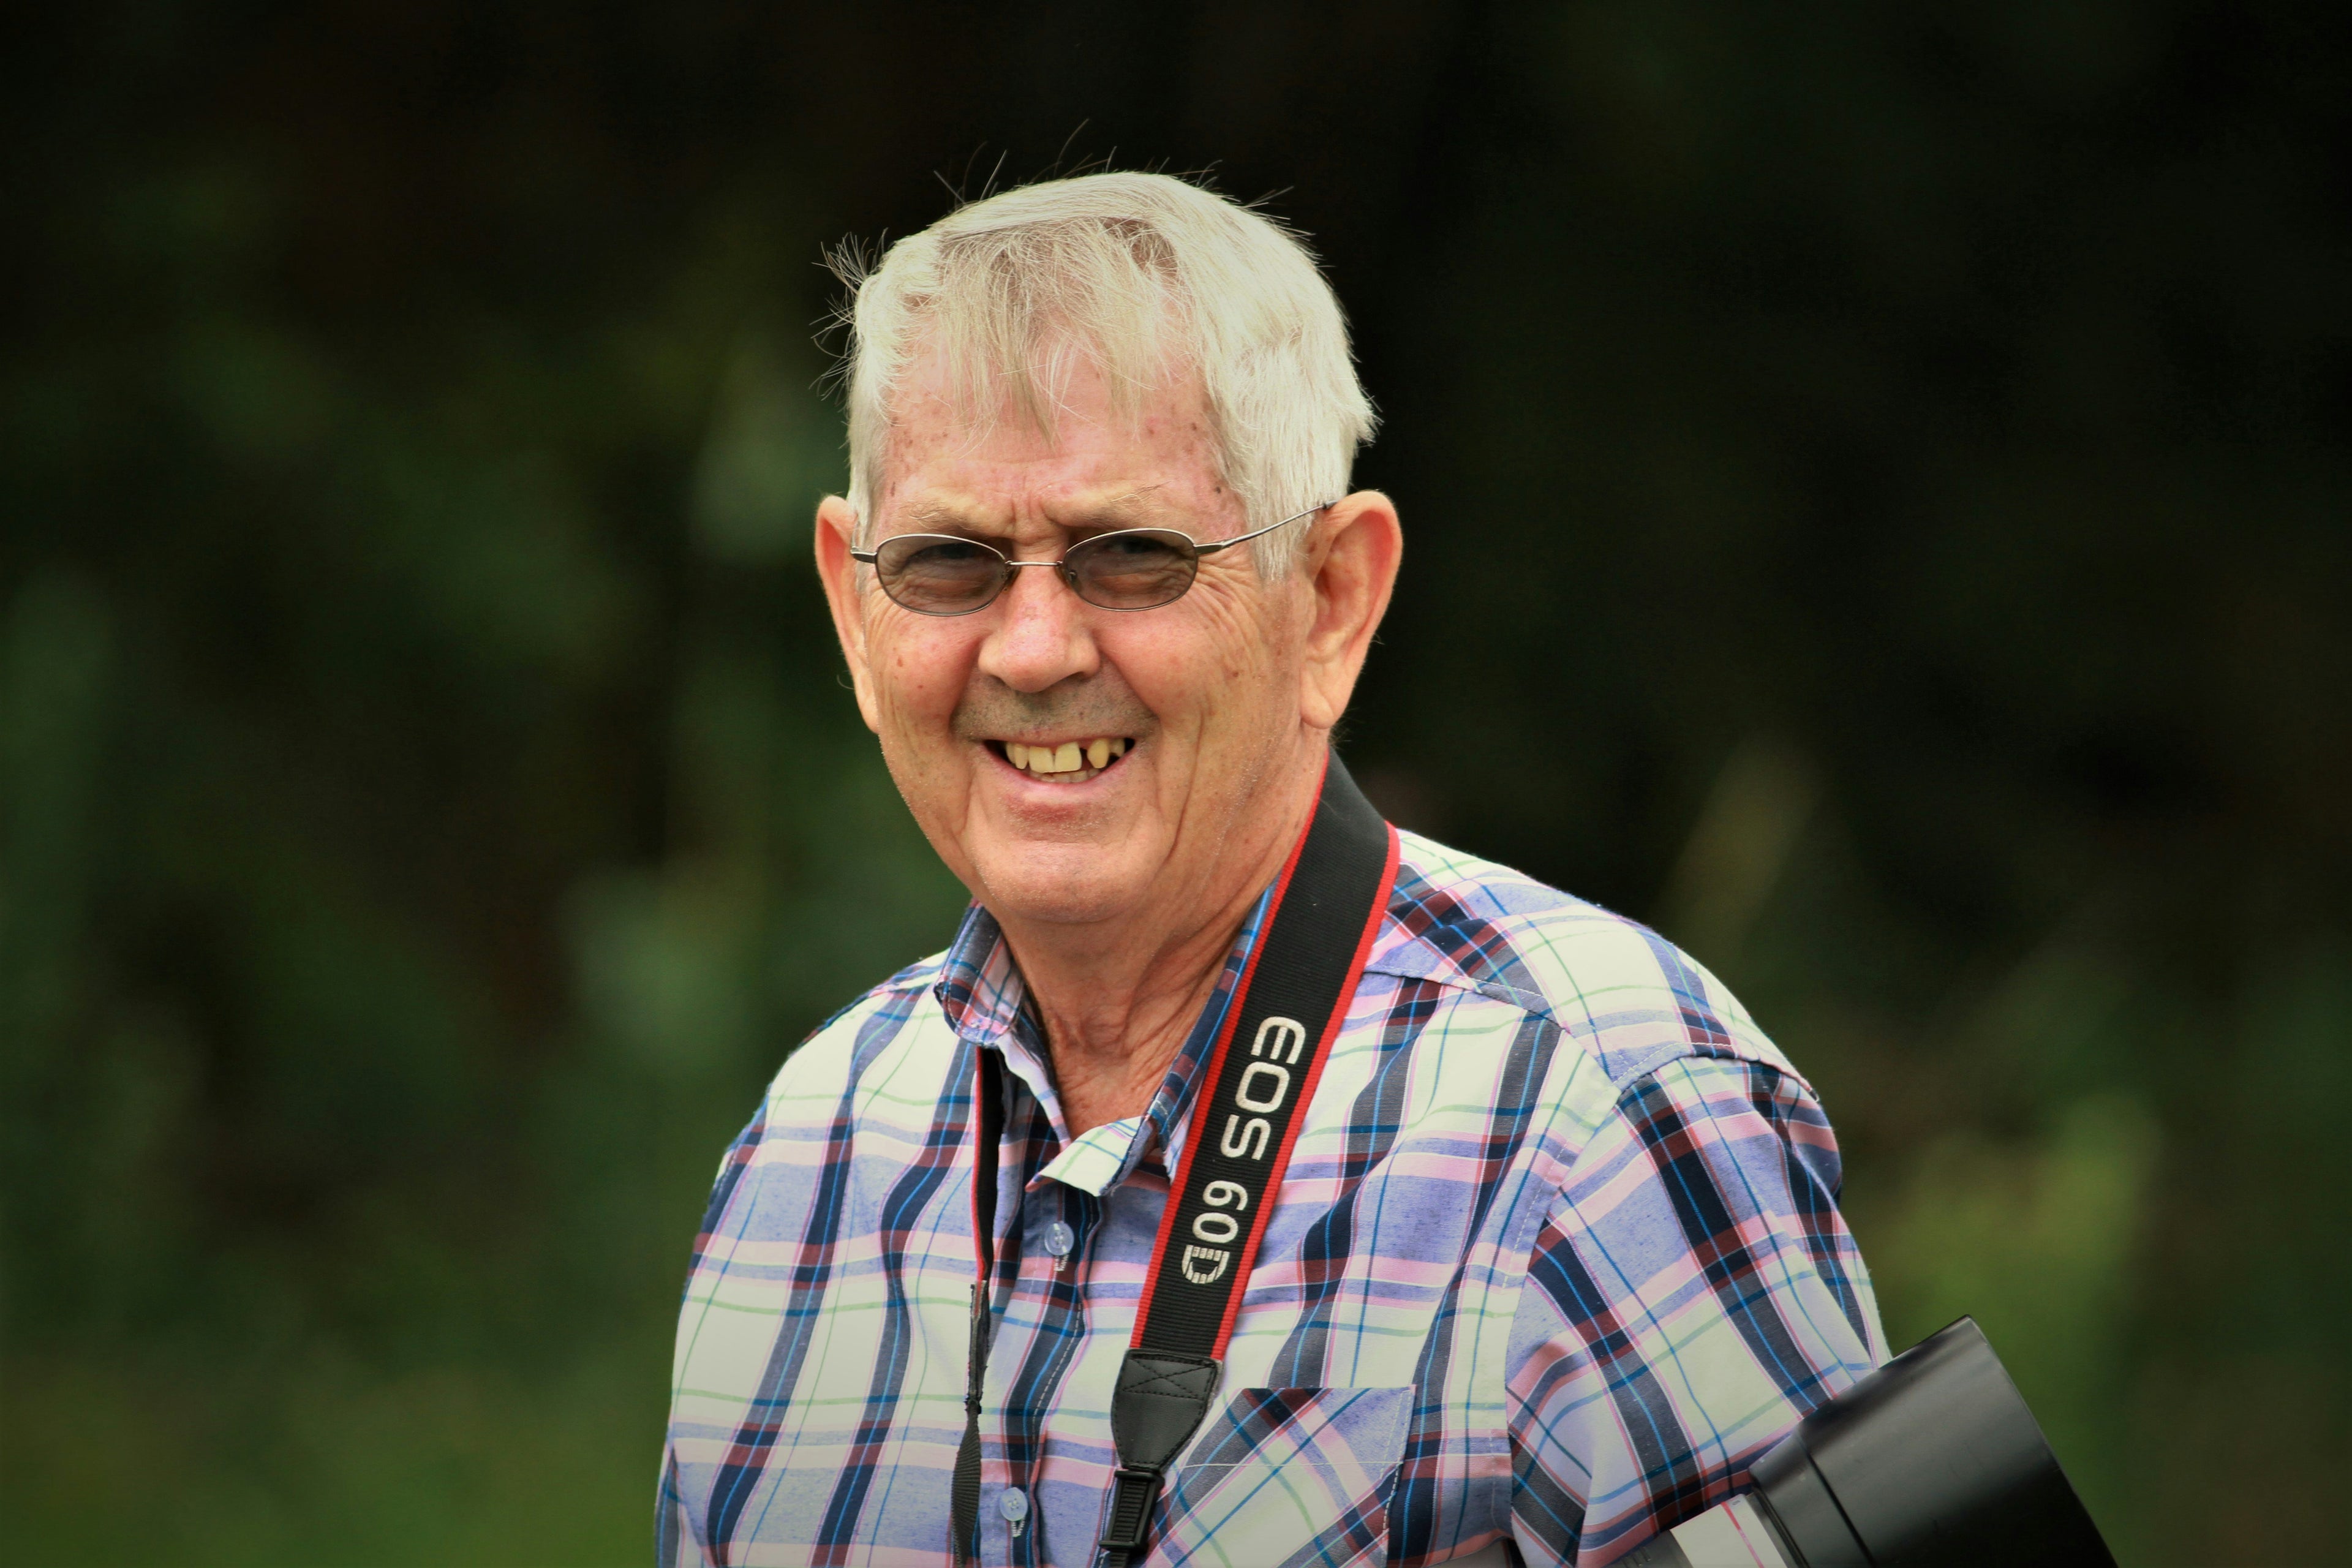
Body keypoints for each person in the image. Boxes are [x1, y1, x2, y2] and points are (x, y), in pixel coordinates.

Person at [656, 171, 1887, 1568]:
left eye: (1130, 556)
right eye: (950, 562)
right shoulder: (801, 1159)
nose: (1035, 647)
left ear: (1332, 601)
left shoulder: (1601, 1119)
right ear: (852, 606)